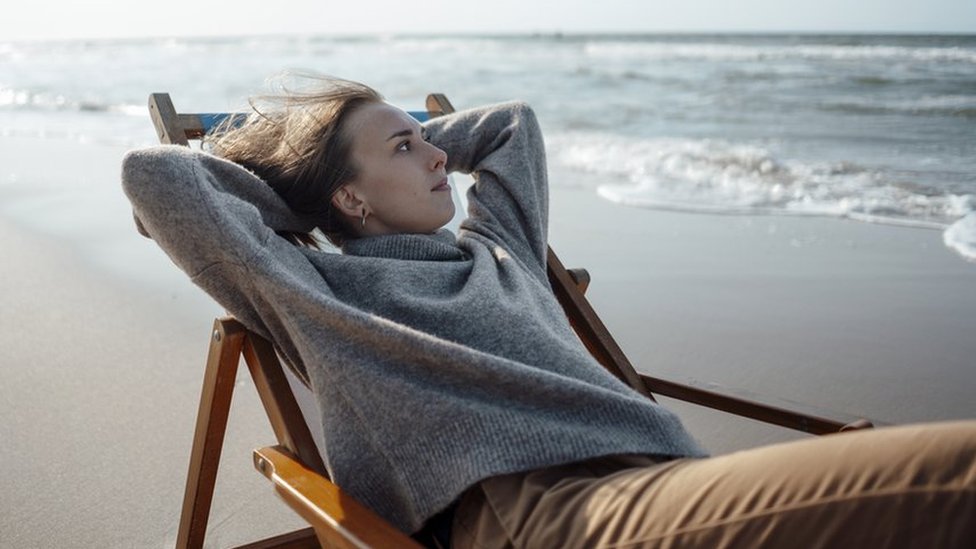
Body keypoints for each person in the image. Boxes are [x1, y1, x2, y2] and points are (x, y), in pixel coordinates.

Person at [122, 75, 976, 548]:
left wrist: (390, 144)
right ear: (348, 194)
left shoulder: (501, 250)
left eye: (429, 139)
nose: (440, 155)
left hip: (658, 486)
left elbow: (513, 127)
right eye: (406, 146)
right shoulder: (322, 296)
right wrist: (302, 190)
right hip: (553, 520)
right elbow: (159, 177)